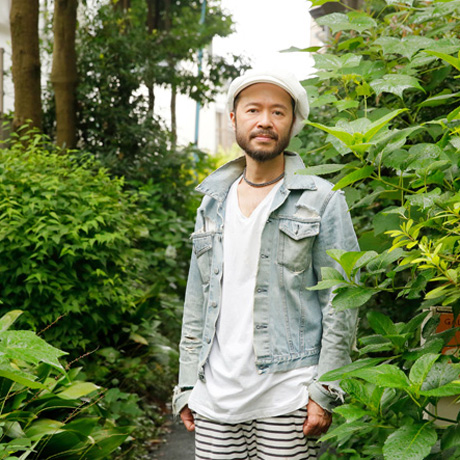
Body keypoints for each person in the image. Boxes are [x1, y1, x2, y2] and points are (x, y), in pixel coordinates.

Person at [172, 68, 359, 460]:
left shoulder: (323, 200)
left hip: (288, 396)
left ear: (292, 123)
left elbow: (342, 301)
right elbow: (197, 300)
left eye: (278, 112)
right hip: (215, 398)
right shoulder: (211, 203)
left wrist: (325, 390)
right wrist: (187, 384)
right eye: (253, 109)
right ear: (234, 118)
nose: (265, 121)